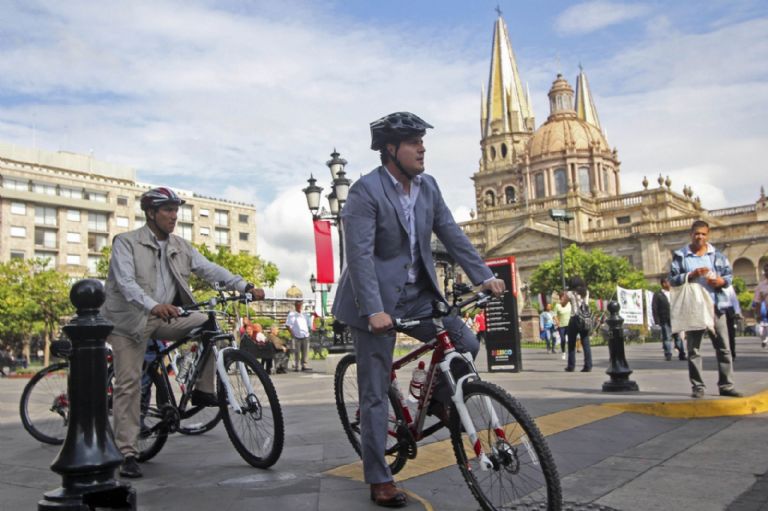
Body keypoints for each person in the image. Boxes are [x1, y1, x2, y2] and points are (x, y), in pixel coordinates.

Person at [331, 111, 505, 508]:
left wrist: (483, 275)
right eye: (414, 142)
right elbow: (359, 258)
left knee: (463, 342)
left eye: (423, 141)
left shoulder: (428, 188)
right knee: (375, 392)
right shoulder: (364, 192)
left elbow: (451, 233)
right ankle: (379, 477)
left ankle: (440, 398)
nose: (423, 148)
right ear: (391, 150)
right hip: (371, 299)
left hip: (418, 293)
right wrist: (374, 310)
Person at [102, 186, 265, 479]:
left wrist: (245, 286)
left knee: (207, 322)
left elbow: (210, 269)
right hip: (129, 322)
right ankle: (127, 451)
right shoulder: (126, 243)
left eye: (176, 210)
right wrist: (154, 305)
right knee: (128, 383)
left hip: (163, 316)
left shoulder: (180, 245)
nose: (174, 215)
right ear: (151, 213)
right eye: (167, 210)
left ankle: (203, 391)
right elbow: (125, 283)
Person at [669, 220, 742, 399]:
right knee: (694, 350)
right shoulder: (681, 256)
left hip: (716, 306)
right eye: (696, 233)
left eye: (703, 234)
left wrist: (721, 281)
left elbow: (729, 276)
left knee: (724, 348)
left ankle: (726, 385)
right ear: (691, 234)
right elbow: (672, 279)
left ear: (707, 235)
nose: (699, 237)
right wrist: (691, 275)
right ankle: (698, 387)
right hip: (694, 308)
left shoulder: (716, 255)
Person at [652, 278, 687, 361]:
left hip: (676, 318)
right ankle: (668, 354)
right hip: (665, 319)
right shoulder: (658, 294)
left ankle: (682, 354)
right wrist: (657, 320)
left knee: (678, 337)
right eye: (668, 282)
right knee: (667, 337)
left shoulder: (674, 292)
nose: (670, 284)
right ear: (663, 284)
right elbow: (654, 307)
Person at [565, 276, 593, 372]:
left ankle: (571, 366)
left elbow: (563, 303)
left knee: (571, 343)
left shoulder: (570, 293)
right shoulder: (586, 292)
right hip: (585, 319)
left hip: (574, 318)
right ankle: (588, 365)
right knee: (586, 343)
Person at [285, 301, 311, 372]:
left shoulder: (305, 314)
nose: (300, 307)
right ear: (296, 306)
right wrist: (292, 334)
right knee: (297, 352)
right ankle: (297, 366)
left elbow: (308, 324)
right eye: (298, 305)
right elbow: (288, 325)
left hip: (305, 335)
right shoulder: (292, 314)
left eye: (301, 305)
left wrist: (309, 331)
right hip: (296, 336)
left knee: (305, 351)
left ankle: (304, 365)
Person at [723, 285, 741, 360]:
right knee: (721, 335)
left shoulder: (729, 286)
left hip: (729, 311)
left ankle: (732, 353)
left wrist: (737, 311)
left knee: (730, 334)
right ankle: (723, 353)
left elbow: (734, 300)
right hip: (717, 309)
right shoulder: (712, 285)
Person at [753, 263, 768, 348]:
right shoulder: (761, 286)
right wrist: (758, 314)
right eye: (766, 270)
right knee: (761, 331)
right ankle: (764, 340)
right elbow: (757, 301)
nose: (767, 272)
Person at [553, 291, 571, 360]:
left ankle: (570, 352)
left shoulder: (569, 304)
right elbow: (554, 314)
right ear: (560, 298)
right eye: (562, 297)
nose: (563, 298)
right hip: (561, 325)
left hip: (569, 324)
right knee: (563, 339)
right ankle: (563, 352)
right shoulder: (557, 305)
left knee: (570, 339)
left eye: (564, 297)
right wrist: (557, 321)